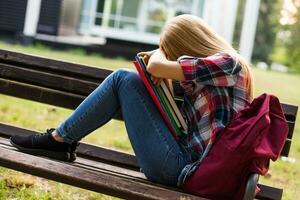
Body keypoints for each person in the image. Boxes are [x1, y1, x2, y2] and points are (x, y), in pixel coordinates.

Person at [10, 14, 253, 187]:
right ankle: (60, 140)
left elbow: (157, 65)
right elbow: (166, 93)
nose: (173, 58)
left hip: (184, 169)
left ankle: (59, 140)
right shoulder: (211, 72)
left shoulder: (228, 64)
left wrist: (161, 54)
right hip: (182, 162)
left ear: (186, 44)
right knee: (126, 81)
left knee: (121, 79)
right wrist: (161, 68)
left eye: (172, 51)